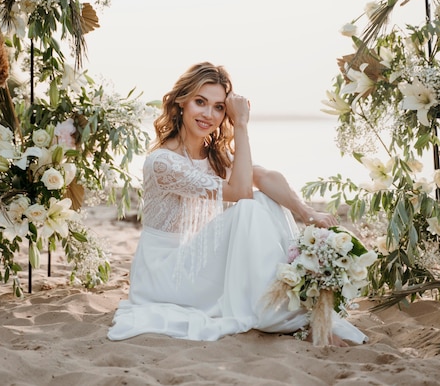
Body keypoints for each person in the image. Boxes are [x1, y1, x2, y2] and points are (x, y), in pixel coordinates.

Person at [107, 62, 367, 345]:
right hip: (164, 274)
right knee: (249, 206)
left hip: (196, 259)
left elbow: (264, 176)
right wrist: (241, 124)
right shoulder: (163, 162)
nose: (209, 114)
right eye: (200, 102)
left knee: (263, 199)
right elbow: (241, 192)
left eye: (219, 107)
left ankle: (284, 296)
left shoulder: (214, 155)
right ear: (181, 103)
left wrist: (307, 212)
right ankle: (273, 309)